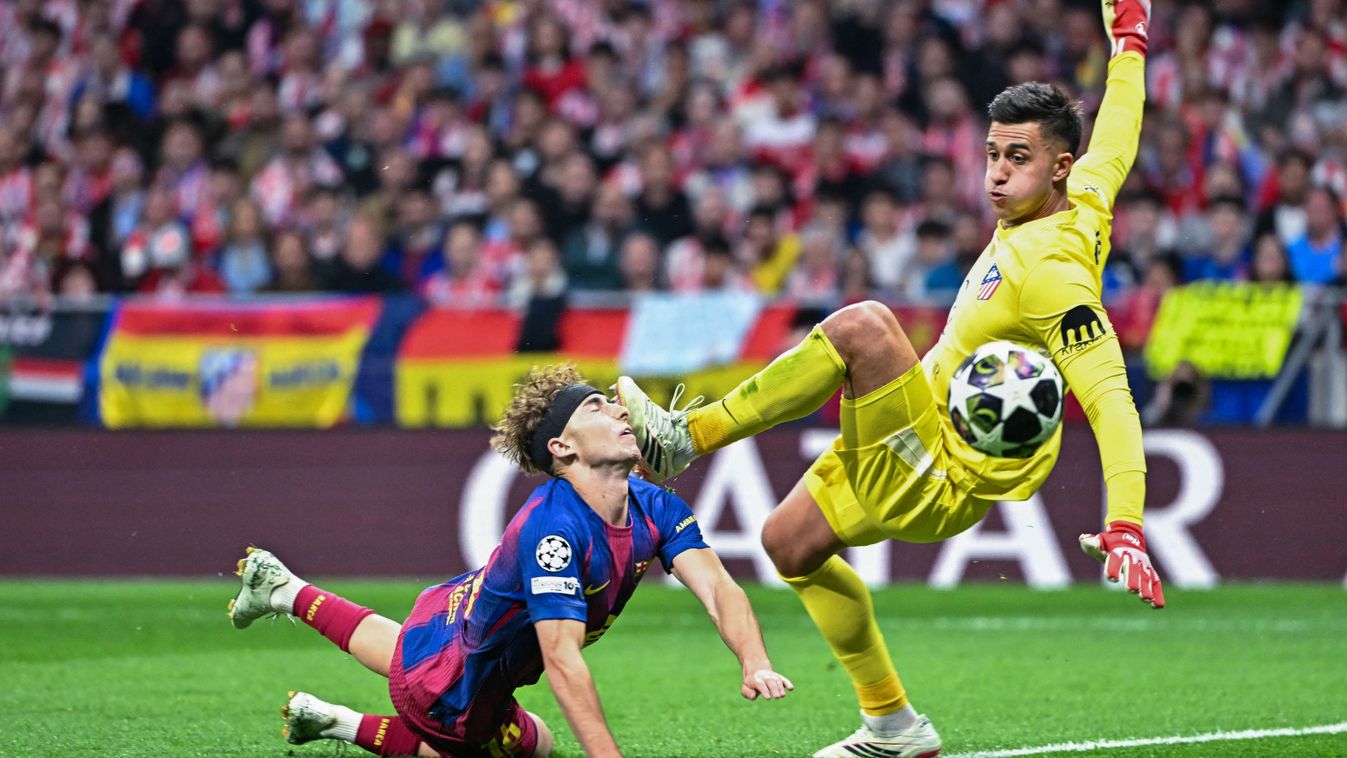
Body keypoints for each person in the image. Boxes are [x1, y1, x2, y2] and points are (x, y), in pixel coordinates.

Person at [615, 2, 1163, 756]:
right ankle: (893, 726)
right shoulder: (1087, 193)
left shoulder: (1055, 272)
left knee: (865, 327)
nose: (997, 175)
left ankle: (686, 437)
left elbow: (1108, 396)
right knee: (787, 545)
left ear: (1057, 167)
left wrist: (1127, 520)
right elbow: (1121, 125)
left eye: (1017, 160)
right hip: (920, 430)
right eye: (992, 155)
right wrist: (1128, 39)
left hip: (941, 467)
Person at [228, 365, 793, 758]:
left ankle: (286, 590)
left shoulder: (653, 504)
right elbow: (562, 659)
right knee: (533, 747)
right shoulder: (554, 532)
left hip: (449, 622)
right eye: (597, 407)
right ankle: (342, 723)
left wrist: (754, 660)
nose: (622, 410)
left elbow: (718, 588)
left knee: (417, 656)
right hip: (454, 688)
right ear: (562, 449)